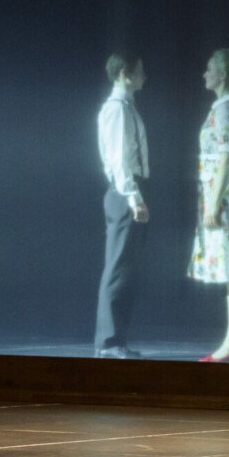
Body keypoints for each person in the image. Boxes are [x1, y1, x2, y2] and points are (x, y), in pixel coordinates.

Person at [188, 49, 229, 363]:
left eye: (210, 69)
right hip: (228, 190)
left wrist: (213, 203)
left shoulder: (227, 109)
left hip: (226, 193)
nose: (205, 74)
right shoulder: (227, 107)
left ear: (223, 74)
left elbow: (226, 158)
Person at [94, 52, 149, 359]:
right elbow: (118, 161)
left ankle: (117, 341)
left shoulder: (126, 108)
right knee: (118, 268)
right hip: (123, 193)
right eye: (141, 71)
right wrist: (134, 197)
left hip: (128, 192)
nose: (145, 77)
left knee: (126, 269)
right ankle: (108, 342)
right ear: (126, 72)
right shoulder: (117, 110)